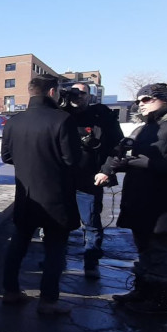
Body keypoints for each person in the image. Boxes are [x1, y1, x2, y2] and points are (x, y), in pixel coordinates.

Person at [95, 82, 167, 318]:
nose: (140, 104)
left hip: (165, 201)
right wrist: (119, 166)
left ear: (164, 99)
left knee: (161, 250)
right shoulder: (146, 127)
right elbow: (131, 155)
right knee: (145, 247)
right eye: (138, 100)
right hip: (141, 197)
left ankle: (160, 300)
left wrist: (149, 164)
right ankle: (143, 292)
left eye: (146, 99)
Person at [0, 76, 81, 315]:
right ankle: (48, 300)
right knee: (55, 249)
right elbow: (72, 159)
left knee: (18, 244)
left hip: (26, 195)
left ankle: (11, 291)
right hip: (55, 195)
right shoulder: (62, 120)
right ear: (53, 92)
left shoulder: (15, 121)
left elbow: (6, 157)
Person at [63, 82, 123, 278]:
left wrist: (106, 170)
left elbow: (118, 146)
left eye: (82, 93)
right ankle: (56, 257)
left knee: (90, 221)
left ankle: (91, 262)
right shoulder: (61, 115)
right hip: (63, 179)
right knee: (58, 220)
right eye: (73, 93)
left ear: (90, 96)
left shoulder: (101, 116)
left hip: (90, 178)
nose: (77, 96)